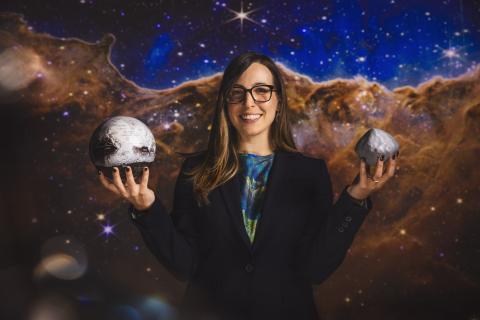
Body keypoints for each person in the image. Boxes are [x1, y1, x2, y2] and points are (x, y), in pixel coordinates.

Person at [98, 52, 397, 320]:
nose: (249, 102)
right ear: (226, 103)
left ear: (279, 101)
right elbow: (185, 267)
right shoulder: (197, 171)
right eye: (237, 93)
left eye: (262, 91)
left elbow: (316, 269)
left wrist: (357, 198)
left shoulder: (309, 172)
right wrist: (146, 209)